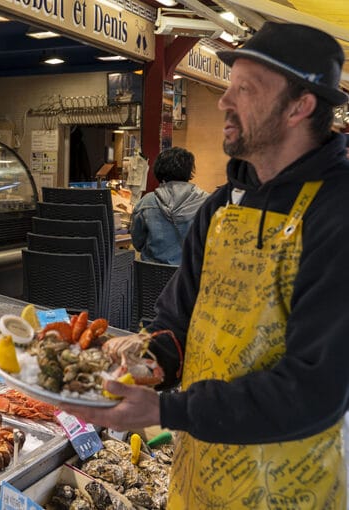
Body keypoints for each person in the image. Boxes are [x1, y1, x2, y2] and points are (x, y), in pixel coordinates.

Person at [62, 21, 349, 508]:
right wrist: (147, 362)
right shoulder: (222, 205)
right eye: (229, 84)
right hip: (196, 473)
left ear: (300, 107)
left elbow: (313, 389)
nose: (224, 100)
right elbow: (178, 325)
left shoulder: (336, 212)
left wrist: (165, 408)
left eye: (246, 88)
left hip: (284, 484)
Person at [129, 147, 208, 264]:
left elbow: (138, 243)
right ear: (190, 170)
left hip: (152, 276)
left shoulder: (147, 202)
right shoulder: (206, 202)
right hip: (191, 276)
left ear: (159, 170)